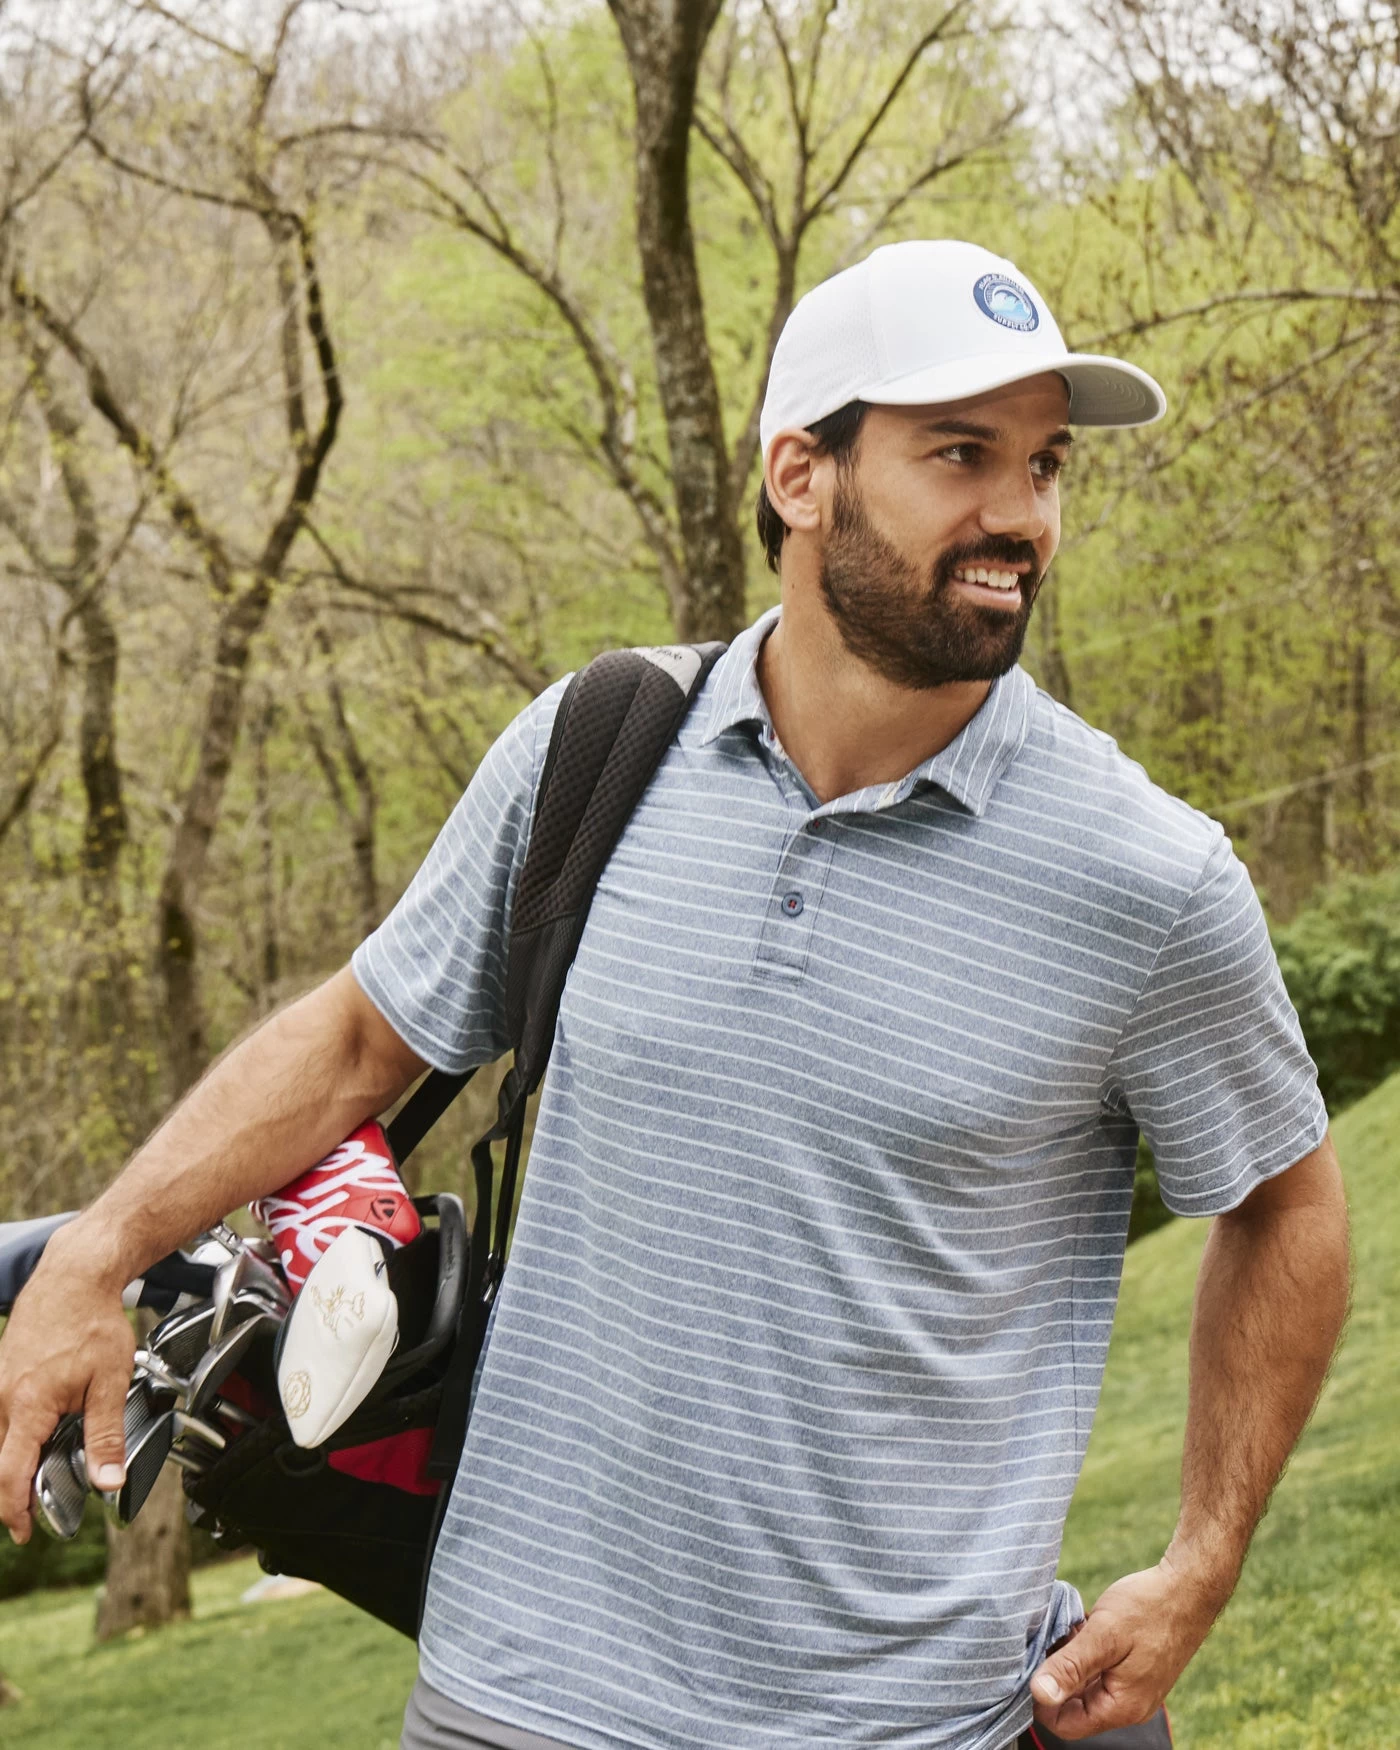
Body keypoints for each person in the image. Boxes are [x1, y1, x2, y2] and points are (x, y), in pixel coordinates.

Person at [0, 240, 1349, 1750]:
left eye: (1045, 465)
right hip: (513, 1696)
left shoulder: (1145, 876)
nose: (1021, 517)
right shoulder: (595, 747)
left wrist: (1202, 1560)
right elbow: (359, 1039)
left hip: (907, 1720)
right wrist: (97, 1253)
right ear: (800, 474)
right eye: (961, 454)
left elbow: (1288, 1206)